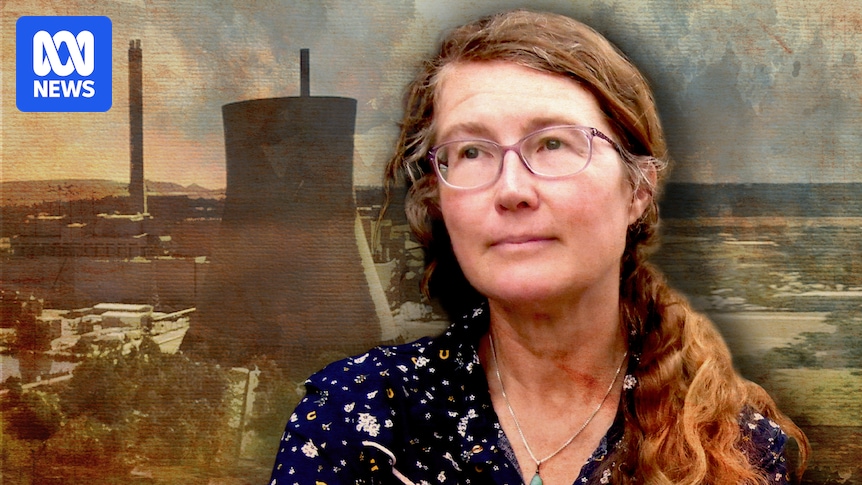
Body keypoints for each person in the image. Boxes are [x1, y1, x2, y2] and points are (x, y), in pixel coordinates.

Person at [270, 9, 809, 485]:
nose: (511, 190)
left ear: (639, 189)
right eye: (472, 151)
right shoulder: (356, 419)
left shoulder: (739, 450)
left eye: (552, 143)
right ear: (438, 198)